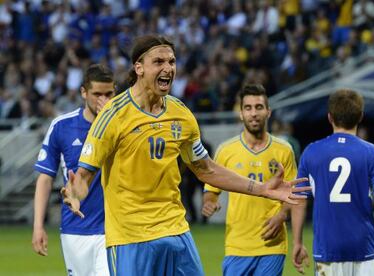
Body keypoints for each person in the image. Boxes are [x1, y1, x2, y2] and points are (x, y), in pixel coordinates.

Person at [60, 34, 310, 276]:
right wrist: (74, 193)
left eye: (171, 61)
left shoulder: (181, 114)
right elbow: (84, 175)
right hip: (131, 239)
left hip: (176, 232)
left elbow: (206, 169)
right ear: (139, 68)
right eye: (158, 62)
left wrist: (263, 189)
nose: (167, 68)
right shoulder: (113, 115)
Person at [291, 89, 374, 275]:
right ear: (360, 116)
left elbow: (299, 200)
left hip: (327, 250)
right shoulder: (373, 153)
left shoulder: (311, 152)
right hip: (365, 249)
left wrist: (298, 242)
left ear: (329, 117)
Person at [202, 84, 297, 276]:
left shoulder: (283, 150)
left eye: (258, 107)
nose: (253, 113)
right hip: (237, 246)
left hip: (272, 244)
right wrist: (209, 202)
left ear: (268, 112)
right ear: (241, 114)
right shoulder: (225, 151)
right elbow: (211, 189)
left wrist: (281, 216)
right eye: (248, 108)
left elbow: (293, 194)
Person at [32, 64, 115, 276]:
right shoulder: (61, 126)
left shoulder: (122, 127)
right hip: (75, 229)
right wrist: (38, 226)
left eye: (109, 94)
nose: (103, 100)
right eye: (97, 94)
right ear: (83, 92)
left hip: (115, 229)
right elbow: (45, 178)